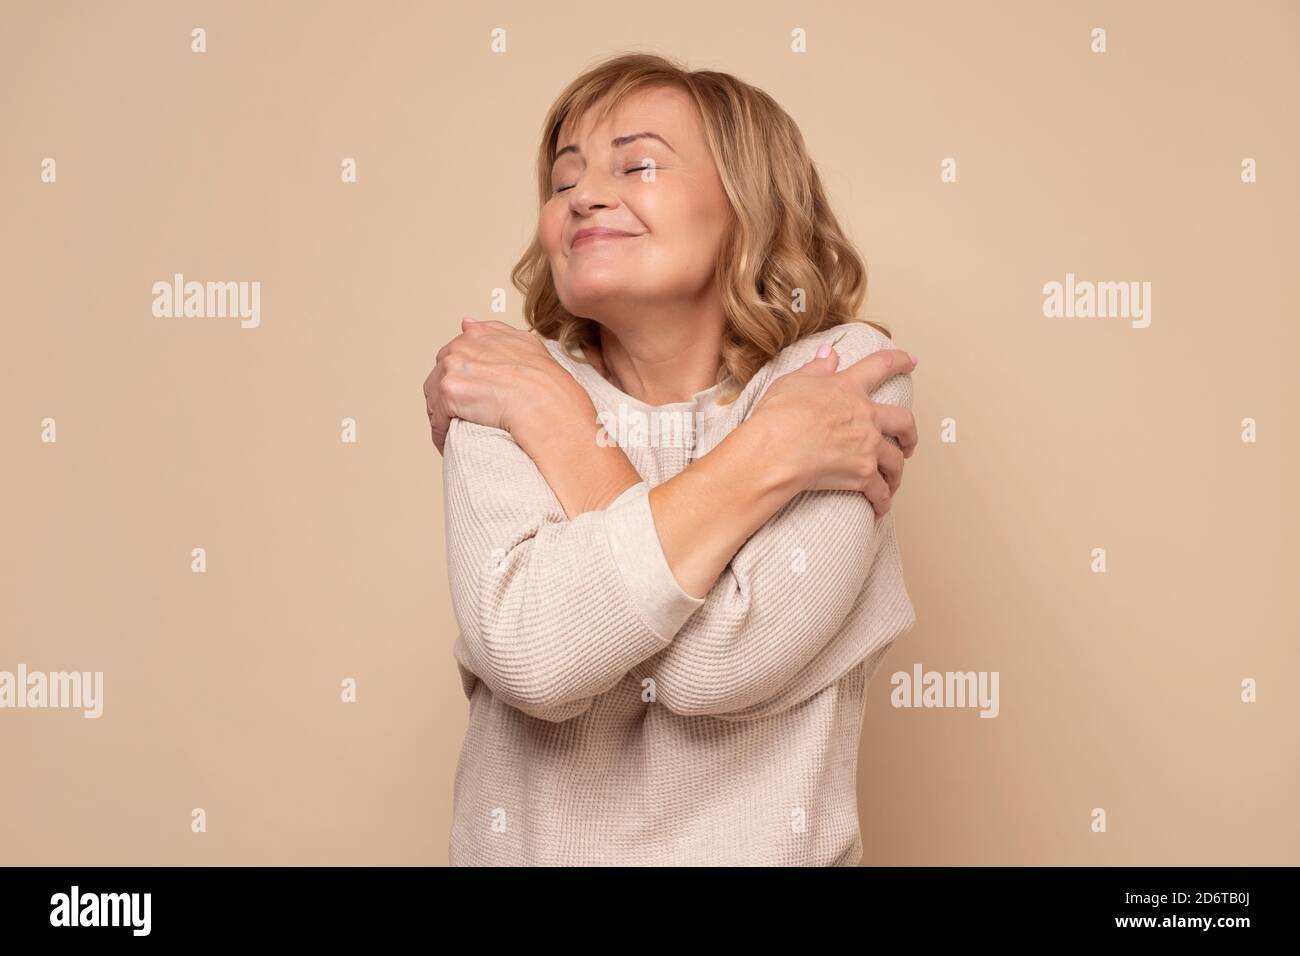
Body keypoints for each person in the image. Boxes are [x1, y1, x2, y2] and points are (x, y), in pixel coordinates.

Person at [423, 52, 920, 865]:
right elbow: (535, 653)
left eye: (639, 164)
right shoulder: (504, 384)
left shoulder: (838, 382)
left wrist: (559, 430)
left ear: (746, 205)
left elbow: (721, 663)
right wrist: (770, 453)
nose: (582, 195)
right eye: (563, 178)